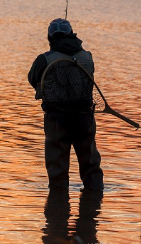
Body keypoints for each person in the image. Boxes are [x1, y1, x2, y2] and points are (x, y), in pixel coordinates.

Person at [28, 18, 104, 191]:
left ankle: (58, 208)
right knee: (91, 166)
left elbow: (32, 79)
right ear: (72, 34)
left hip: (56, 120)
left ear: (50, 38)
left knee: (57, 170)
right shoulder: (87, 56)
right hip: (85, 119)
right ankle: (94, 204)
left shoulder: (44, 59)